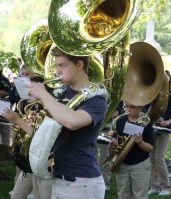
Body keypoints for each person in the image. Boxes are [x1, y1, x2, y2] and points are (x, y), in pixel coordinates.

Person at [24, 46, 108, 199]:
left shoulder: (97, 98)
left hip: (82, 182)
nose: (57, 71)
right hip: (59, 176)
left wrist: (43, 94)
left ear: (79, 65)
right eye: (56, 66)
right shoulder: (61, 93)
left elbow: (72, 121)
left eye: (62, 66)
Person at [4, 75, 52, 199]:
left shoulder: (48, 106)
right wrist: (16, 122)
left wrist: (18, 120)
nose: (28, 90)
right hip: (28, 160)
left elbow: (41, 138)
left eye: (32, 87)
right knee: (16, 196)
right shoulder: (25, 103)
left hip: (41, 161)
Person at [112, 101, 154, 199]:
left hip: (139, 164)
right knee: (123, 194)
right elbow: (115, 138)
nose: (128, 109)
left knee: (139, 195)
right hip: (122, 162)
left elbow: (150, 148)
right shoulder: (121, 120)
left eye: (132, 107)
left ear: (140, 107)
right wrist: (113, 143)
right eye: (127, 106)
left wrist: (140, 142)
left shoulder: (145, 122)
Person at [148, 70, 171, 196]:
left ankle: (166, 187)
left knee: (159, 158)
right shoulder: (152, 95)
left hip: (164, 131)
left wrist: (168, 121)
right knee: (151, 159)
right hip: (152, 129)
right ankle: (154, 186)